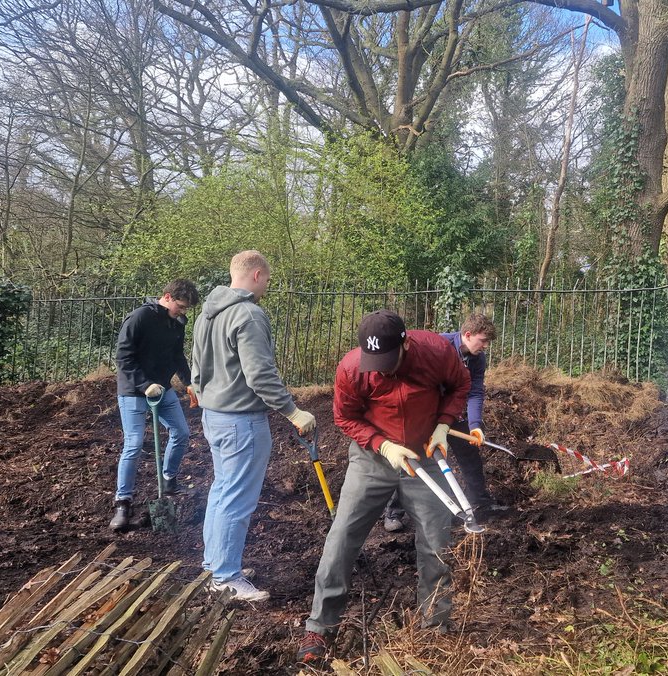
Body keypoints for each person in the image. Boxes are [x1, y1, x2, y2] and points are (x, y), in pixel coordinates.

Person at [298, 310, 470, 663]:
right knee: (342, 534)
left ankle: (434, 626)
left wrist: (443, 424)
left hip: (424, 455)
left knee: (436, 541)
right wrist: (382, 445)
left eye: (389, 361)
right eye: (376, 362)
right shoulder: (352, 368)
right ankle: (320, 625)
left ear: (406, 343)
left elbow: (460, 386)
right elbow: (345, 417)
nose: (383, 369)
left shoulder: (437, 352)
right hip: (373, 459)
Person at [191, 250, 316, 602]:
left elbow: (196, 367)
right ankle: (226, 578)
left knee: (221, 492)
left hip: (213, 415)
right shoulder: (248, 315)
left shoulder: (207, 314)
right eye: (269, 279)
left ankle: (215, 565)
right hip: (240, 421)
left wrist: (205, 396)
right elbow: (260, 375)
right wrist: (293, 412)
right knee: (236, 498)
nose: (268, 285)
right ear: (257, 274)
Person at [382, 313, 499, 532]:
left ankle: (481, 502)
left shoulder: (477, 358)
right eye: (483, 341)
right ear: (467, 335)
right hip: (424, 411)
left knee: (469, 454)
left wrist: (474, 424)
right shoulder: (438, 346)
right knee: (411, 459)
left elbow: (474, 391)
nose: (486, 346)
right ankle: (393, 511)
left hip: (452, 411)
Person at [110, 279, 201, 532]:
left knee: (182, 432)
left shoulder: (176, 322)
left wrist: (189, 382)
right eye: (181, 306)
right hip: (134, 391)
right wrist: (143, 385)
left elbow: (176, 354)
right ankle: (123, 502)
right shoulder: (139, 318)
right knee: (134, 444)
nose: (183, 312)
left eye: (186, 309)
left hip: (163, 389)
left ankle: (169, 479)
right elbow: (123, 357)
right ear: (168, 296)